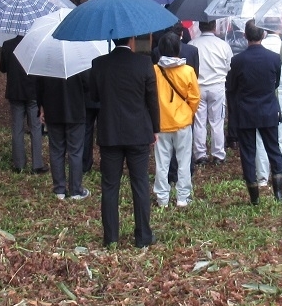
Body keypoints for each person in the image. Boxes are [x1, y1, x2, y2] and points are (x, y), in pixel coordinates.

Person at [91, 34, 159, 248]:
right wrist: (155, 129)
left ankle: (111, 237)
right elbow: (152, 99)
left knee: (110, 186)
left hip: (110, 131)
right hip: (138, 132)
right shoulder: (143, 63)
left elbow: (94, 96)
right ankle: (143, 237)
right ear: (131, 39)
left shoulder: (99, 64)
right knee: (139, 183)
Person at [228, 21, 282, 204]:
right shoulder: (274, 58)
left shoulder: (238, 60)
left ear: (245, 36)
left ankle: (254, 196)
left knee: (248, 152)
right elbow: (275, 82)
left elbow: (232, 87)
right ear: (263, 35)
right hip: (268, 109)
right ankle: (278, 192)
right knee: (273, 149)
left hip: (246, 111)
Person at [153, 32, 200, 208]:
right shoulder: (188, 71)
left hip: (161, 123)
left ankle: (162, 198)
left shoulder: (155, 70)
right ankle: (183, 197)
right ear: (178, 48)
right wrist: (188, 113)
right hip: (182, 123)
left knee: (162, 162)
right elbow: (195, 98)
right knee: (184, 160)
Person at [37, 69, 91, 201]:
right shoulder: (78, 63)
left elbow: (39, 87)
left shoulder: (47, 62)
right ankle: (76, 190)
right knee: (75, 152)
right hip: (75, 111)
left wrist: (42, 107)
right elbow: (88, 84)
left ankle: (59, 189)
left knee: (56, 150)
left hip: (53, 111)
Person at [255, 27, 282, 190]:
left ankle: (262, 177)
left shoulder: (260, 46)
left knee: (260, 136)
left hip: (262, 95)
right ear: (279, 29)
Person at [0, 34, 46, 174]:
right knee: (36, 128)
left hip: (15, 91)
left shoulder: (7, 45)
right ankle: (37, 164)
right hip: (33, 93)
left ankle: (19, 164)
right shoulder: (36, 45)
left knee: (17, 128)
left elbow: (3, 68)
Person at [192, 19, 233, 165]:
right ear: (214, 27)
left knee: (199, 122)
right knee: (217, 121)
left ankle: (200, 155)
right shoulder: (223, 45)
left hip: (198, 87)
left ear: (200, 27)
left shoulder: (193, 44)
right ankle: (218, 154)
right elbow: (229, 66)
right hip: (217, 86)